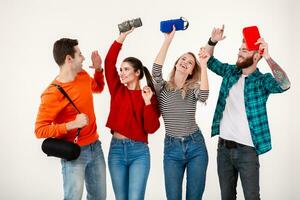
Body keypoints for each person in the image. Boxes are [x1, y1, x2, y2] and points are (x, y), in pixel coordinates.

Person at [203, 25, 291, 200]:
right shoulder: (230, 72)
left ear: (256, 56)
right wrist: (212, 41)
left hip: (248, 152)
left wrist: (268, 57)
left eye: (245, 50)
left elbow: (285, 84)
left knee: (252, 197)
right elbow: (208, 59)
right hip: (223, 150)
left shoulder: (262, 80)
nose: (239, 53)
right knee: (226, 197)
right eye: (239, 49)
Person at [35, 38, 106, 200]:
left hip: (96, 148)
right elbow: (40, 130)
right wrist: (72, 124)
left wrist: (98, 69)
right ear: (69, 59)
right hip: (74, 154)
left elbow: (98, 88)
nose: (83, 58)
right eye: (80, 54)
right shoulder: (52, 93)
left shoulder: (82, 75)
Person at [152, 27, 209, 200]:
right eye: (183, 59)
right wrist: (167, 40)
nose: (185, 62)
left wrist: (204, 65)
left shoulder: (192, 88)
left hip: (196, 146)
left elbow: (204, 95)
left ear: (192, 70)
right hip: (172, 149)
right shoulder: (162, 87)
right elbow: (155, 70)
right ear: (176, 63)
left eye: (190, 62)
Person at [104, 28, 160, 200]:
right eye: (121, 69)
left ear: (137, 73)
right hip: (116, 150)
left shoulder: (148, 95)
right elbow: (108, 63)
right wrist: (122, 36)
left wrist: (148, 102)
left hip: (139, 152)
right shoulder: (117, 89)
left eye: (126, 69)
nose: (121, 73)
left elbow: (151, 128)